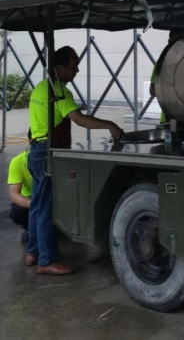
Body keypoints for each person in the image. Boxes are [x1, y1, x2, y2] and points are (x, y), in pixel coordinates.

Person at [27, 46, 124, 276]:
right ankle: (47, 260)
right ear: (60, 69)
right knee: (47, 209)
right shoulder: (57, 91)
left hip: (36, 150)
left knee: (37, 205)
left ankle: (32, 252)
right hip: (47, 153)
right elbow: (80, 120)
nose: (77, 70)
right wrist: (110, 125)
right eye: (73, 66)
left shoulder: (40, 88)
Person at [149, 28, 184, 123]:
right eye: (175, 41)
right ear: (169, 42)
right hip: (168, 118)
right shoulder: (162, 64)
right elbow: (152, 91)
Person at [7, 149, 32, 242]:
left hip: (51, 196)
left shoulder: (54, 159)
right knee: (17, 211)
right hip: (30, 197)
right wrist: (33, 204)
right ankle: (29, 228)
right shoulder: (18, 161)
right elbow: (14, 195)